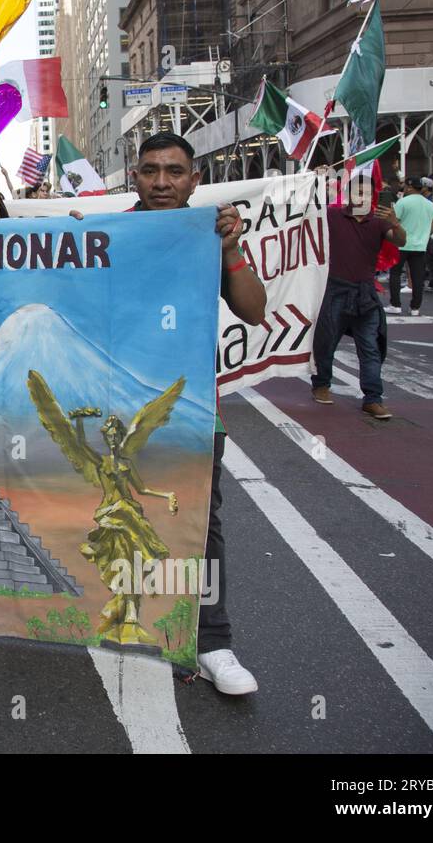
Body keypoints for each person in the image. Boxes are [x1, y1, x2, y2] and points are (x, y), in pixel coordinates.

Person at [71, 132, 265, 695]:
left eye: (174, 172)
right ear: (134, 176)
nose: (162, 182)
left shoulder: (210, 236)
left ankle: (213, 643)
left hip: (193, 413)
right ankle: (125, 622)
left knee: (201, 526)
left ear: (194, 179)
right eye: (151, 170)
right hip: (116, 417)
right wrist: (74, 246)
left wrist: (231, 252)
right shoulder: (109, 235)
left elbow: (254, 311)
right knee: (110, 519)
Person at [311, 170, 407, 419]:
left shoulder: (379, 221)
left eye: (367, 192)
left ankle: (373, 398)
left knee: (370, 347)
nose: (362, 197)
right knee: (326, 342)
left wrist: (395, 222)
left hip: (365, 293)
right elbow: (305, 211)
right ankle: (321, 383)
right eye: (358, 191)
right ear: (348, 194)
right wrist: (316, 180)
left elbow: (400, 241)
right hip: (334, 289)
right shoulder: (332, 215)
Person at [386, 176, 433, 316]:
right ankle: (415, 307)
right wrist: (424, 235)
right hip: (420, 245)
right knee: (417, 277)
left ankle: (395, 304)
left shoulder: (402, 202)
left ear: (409, 187)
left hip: (401, 243)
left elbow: (394, 222)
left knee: (395, 273)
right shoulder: (430, 204)